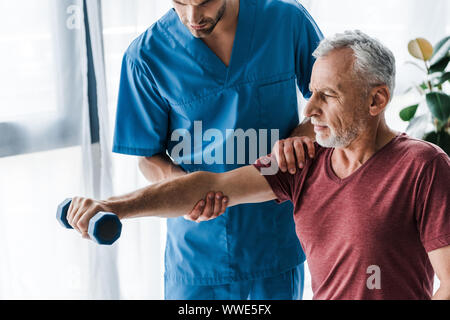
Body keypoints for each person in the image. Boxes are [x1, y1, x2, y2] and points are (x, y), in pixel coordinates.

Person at [68, 31, 450, 299]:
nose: (310, 109)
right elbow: (209, 186)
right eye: (311, 91)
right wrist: (113, 206)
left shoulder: (422, 167)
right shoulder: (303, 160)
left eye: (328, 96)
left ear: (376, 100)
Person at [111, 0, 323, 300]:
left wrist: (300, 136)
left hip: (274, 241)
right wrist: (182, 188)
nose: (193, 16)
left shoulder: (287, 21)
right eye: (180, 3)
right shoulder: (145, 56)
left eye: (204, 2)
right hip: (197, 254)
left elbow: (332, 100)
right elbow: (147, 156)